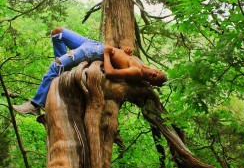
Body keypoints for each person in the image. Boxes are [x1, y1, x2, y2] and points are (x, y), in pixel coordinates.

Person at [13, 27, 167, 115]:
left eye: (154, 78)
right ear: (156, 69)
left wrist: (106, 54)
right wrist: (125, 50)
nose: (153, 74)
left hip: (94, 52)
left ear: (152, 82)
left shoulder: (137, 73)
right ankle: (64, 70)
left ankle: (35, 104)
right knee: (57, 33)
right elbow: (123, 57)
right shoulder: (141, 64)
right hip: (92, 43)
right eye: (156, 72)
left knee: (56, 65)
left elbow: (110, 72)